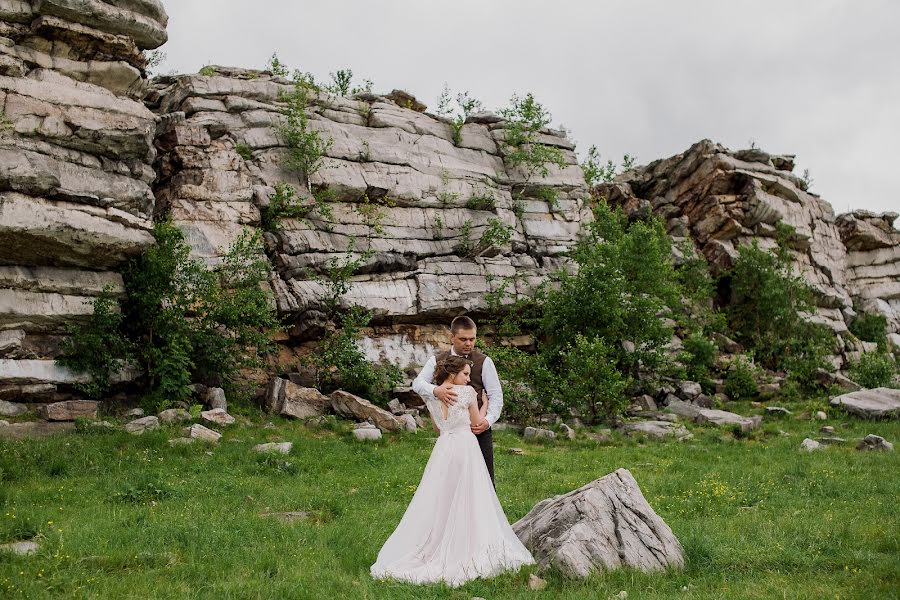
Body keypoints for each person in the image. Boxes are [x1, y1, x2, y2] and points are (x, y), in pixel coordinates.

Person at [370, 356, 534, 587]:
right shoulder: (467, 393)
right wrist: (485, 404)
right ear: (453, 373)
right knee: (470, 495)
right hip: (465, 446)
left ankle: (437, 540)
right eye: (466, 374)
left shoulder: (433, 395)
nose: (469, 378)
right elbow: (476, 423)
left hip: (445, 448)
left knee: (442, 496)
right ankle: (468, 543)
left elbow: (438, 427)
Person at [412, 316, 502, 484]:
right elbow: (417, 384)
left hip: (478, 431)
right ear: (451, 338)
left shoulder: (484, 362)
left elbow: (496, 396)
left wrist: (488, 421)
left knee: (484, 481)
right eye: (463, 339)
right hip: (450, 434)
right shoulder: (436, 360)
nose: (468, 343)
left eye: (472, 339)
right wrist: (435, 390)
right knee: (449, 481)